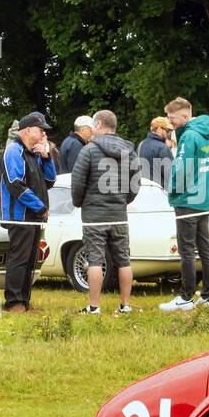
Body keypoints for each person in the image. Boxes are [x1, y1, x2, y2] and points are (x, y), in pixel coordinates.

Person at [70, 110, 141, 315]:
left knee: (94, 259)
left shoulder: (89, 150)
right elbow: (136, 182)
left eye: (94, 125)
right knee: (123, 259)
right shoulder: (130, 150)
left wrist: (79, 202)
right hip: (119, 212)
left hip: (94, 214)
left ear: (99, 124)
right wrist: (124, 200)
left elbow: (77, 182)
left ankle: (94, 306)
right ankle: (125, 305)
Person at [159, 97, 209, 312]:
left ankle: (186, 297)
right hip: (203, 199)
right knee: (205, 249)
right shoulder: (205, 133)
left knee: (187, 251)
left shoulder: (189, 136)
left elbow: (183, 168)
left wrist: (173, 193)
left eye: (171, 118)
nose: (169, 121)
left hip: (187, 200)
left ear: (184, 115)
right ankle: (208, 297)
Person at [0, 113, 57, 313]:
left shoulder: (34, 153)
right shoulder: (13, 151)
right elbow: (16, 184)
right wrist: (40, 207)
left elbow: (49, 182)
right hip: (19, 216)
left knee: (31, 260)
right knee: (20, 258)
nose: (43, 134)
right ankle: (14, 302)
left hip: (34, 216)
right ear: (28, 130)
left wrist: (47, 158)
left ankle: (24, 301)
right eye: (41, 130)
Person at [138, 117, 174, 188]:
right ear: (159, 129)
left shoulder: (141, 144)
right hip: (159, 191)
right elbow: (170, 175)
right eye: (167, 130)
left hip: (141, 190)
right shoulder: (162, 147)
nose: (168, 133)